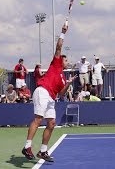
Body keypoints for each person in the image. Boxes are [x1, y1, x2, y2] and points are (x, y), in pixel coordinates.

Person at [22, 24, 77, 162]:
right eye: (66, 60)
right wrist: (63, 33)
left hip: (51, 98)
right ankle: (27, 146)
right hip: (42, 92)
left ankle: (43, 151)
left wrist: (69, 83)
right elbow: (58, 47)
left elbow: (62, 94)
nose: (67, 62)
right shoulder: (56, 64)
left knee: (51, 123)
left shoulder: (63, 78)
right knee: (38, 119)